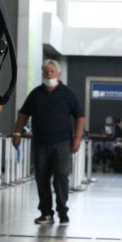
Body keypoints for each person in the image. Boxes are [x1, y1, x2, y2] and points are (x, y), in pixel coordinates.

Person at [12, 60, 85, 225]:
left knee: (61, 177)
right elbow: (23, 115)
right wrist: (17, 133)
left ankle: (62, 212)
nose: (49, 74)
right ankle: (46, 213)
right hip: (40, 144)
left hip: (62, 144)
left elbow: (80, 116)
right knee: (41, 178)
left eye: (52, 71)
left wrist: (77, 138)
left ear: (58, 74)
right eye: (46, 71)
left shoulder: (68, 94)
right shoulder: (35, 94)